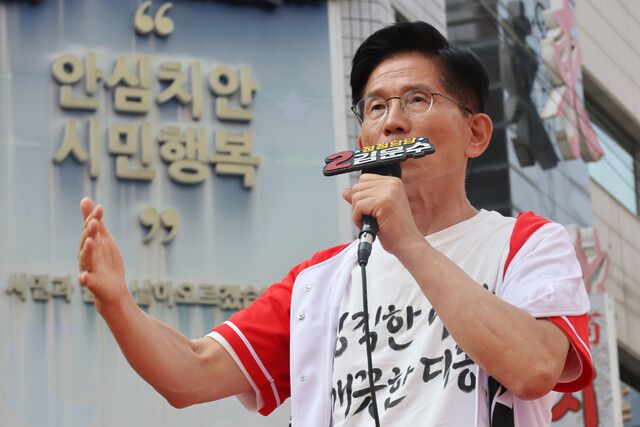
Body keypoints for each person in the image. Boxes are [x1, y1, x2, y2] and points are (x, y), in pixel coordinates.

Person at [77, 21, 593, 426]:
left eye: (417, 100)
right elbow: (192, 373)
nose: (392, 121)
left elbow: (534, 368)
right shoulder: (318, 283)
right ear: (362, 138)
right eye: (376, 107)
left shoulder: (527, 243)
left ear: (475, 134)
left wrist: (409, 244)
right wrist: (118, 304)